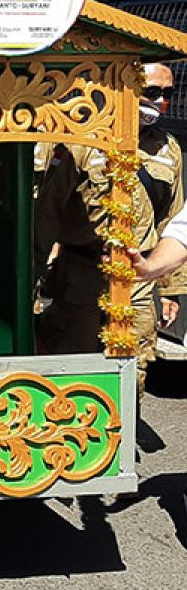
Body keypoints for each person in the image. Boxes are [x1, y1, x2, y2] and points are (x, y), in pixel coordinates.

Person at [35, 63, 187, 390]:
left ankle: (122, 437)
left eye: (167, 94)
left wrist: (171, 289)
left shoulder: (168, 149)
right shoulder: (82, 142)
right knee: (75, 372)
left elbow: (173, 220)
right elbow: (47, 215)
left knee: (133, 370)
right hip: (83, 274)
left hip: (139, 279)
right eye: (152, 92)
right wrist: (30, 284)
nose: (161, 102)